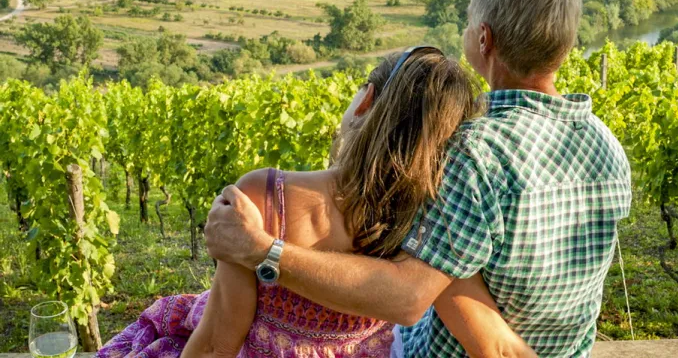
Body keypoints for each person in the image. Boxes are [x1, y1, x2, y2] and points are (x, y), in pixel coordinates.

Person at [206, 0, 633, 358]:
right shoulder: (607, 146)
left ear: (483, 39)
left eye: (469, 23)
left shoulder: (475, 153)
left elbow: (409, 297)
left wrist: (262, 250)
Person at [97, 48, 537, 358]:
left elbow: (217, 345)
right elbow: (494, 341)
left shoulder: (263, 198)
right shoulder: (429, 218)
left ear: (365, 101)